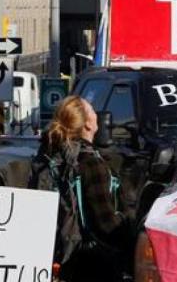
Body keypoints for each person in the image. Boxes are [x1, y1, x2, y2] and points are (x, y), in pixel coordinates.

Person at [42, 96, 131, 282]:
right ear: (88, 125)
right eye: (92, 111)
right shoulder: (91, 163)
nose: (97, 114)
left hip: (60, 259)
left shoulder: (51, 157)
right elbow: (106, 225)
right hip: (91, 265)